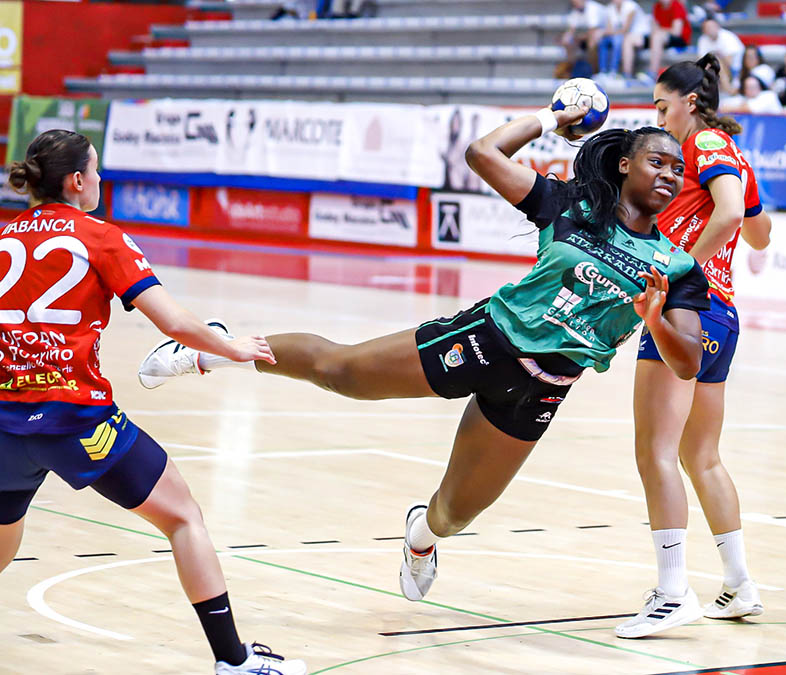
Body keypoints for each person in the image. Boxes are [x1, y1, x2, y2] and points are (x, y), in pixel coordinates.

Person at [139, 107, 714, 604]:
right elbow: (482, 152)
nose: (669, 174)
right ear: (624, 165)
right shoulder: (570, 206)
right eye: (656, 162)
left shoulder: (679, 267)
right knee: (341, 371)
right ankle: (213, 349)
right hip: (485, 340)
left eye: (676, 168)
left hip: (543, 388)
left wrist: (653, 320)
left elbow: (686, 360)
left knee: (456, 513)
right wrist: (550, 118)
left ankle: (421, 536)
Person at [0, 130, 305, 674]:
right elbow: (173, 321)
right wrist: (230, 348)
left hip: (3, 422)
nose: (99, 180)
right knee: (184, 517)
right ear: (76, 181)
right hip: (75, 418)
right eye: (95, 171)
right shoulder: (101, 236)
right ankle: (234, 662)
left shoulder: (3, 235)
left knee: (3, 534)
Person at [615, 53, 773, 640]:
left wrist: (683, 270)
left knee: (654, 451)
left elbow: (730, 214)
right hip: (724, 315)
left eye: (661, 106)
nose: (658, 116)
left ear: (688, 102)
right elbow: (758, 230)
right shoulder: (731, 154)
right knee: (699, 455)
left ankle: (673, 591)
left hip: (692, 310)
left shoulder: (704, 145)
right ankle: (739, 583)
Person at [598, 0, 651, 79]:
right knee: (603, 41)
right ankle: (603, 72)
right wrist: (604, 33)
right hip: (621, 35)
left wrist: (606, 32)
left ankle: (614, 71)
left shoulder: (631, 6)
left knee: (617, 40)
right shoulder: (609, 8)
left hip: (640, 35)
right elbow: (609, 29)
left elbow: (625, 29)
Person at [697, 16, 745, 94]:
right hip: (716, 69)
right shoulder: (703, 39)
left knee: (716, 61)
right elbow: (701, 61)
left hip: (736, 69)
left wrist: (716, 56)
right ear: (703, 30)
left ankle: (728, 88)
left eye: (712, 26)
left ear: (717, 26)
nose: (710, 29)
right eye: (707, 27)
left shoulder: (728, 37)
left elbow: (730, 63)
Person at [561, 0, 607, 77]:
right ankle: (572, 71)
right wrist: (566, 38)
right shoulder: (576, 11)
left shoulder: (592, 8)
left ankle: (595, 72)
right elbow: (570, 31)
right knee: (567, 42)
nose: (576, 3)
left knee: (592, 42)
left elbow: (593, 31)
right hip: (587, 36)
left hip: (606, 33)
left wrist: (579, 38)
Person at [649, 0, 692, 79]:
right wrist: (660, 31)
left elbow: (676, 32)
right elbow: (653, 28)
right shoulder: (657, 6)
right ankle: (627, 74)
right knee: (631, 39)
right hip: (663, 37)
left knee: (657, 36)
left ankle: (652, 73)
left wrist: (660, 30)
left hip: (681, 39)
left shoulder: (676, 5)